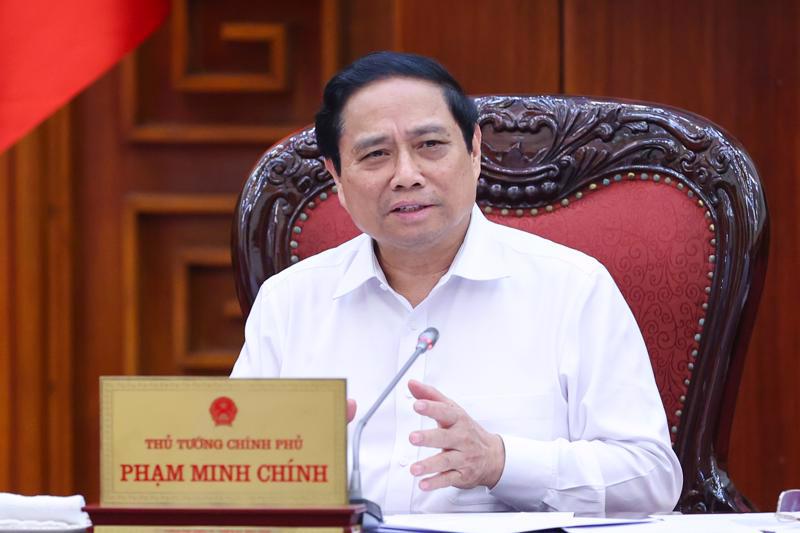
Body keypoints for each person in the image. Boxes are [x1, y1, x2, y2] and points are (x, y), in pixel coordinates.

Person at [231, 51, 682, 515]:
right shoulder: (289, 302)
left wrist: (501, 462)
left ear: (474, 152)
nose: (406, 176)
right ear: (337, 178)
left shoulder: (573, 288)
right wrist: (277, 466)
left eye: (430, 146)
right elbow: (232, 478)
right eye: (375, 154)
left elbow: (651, 479)